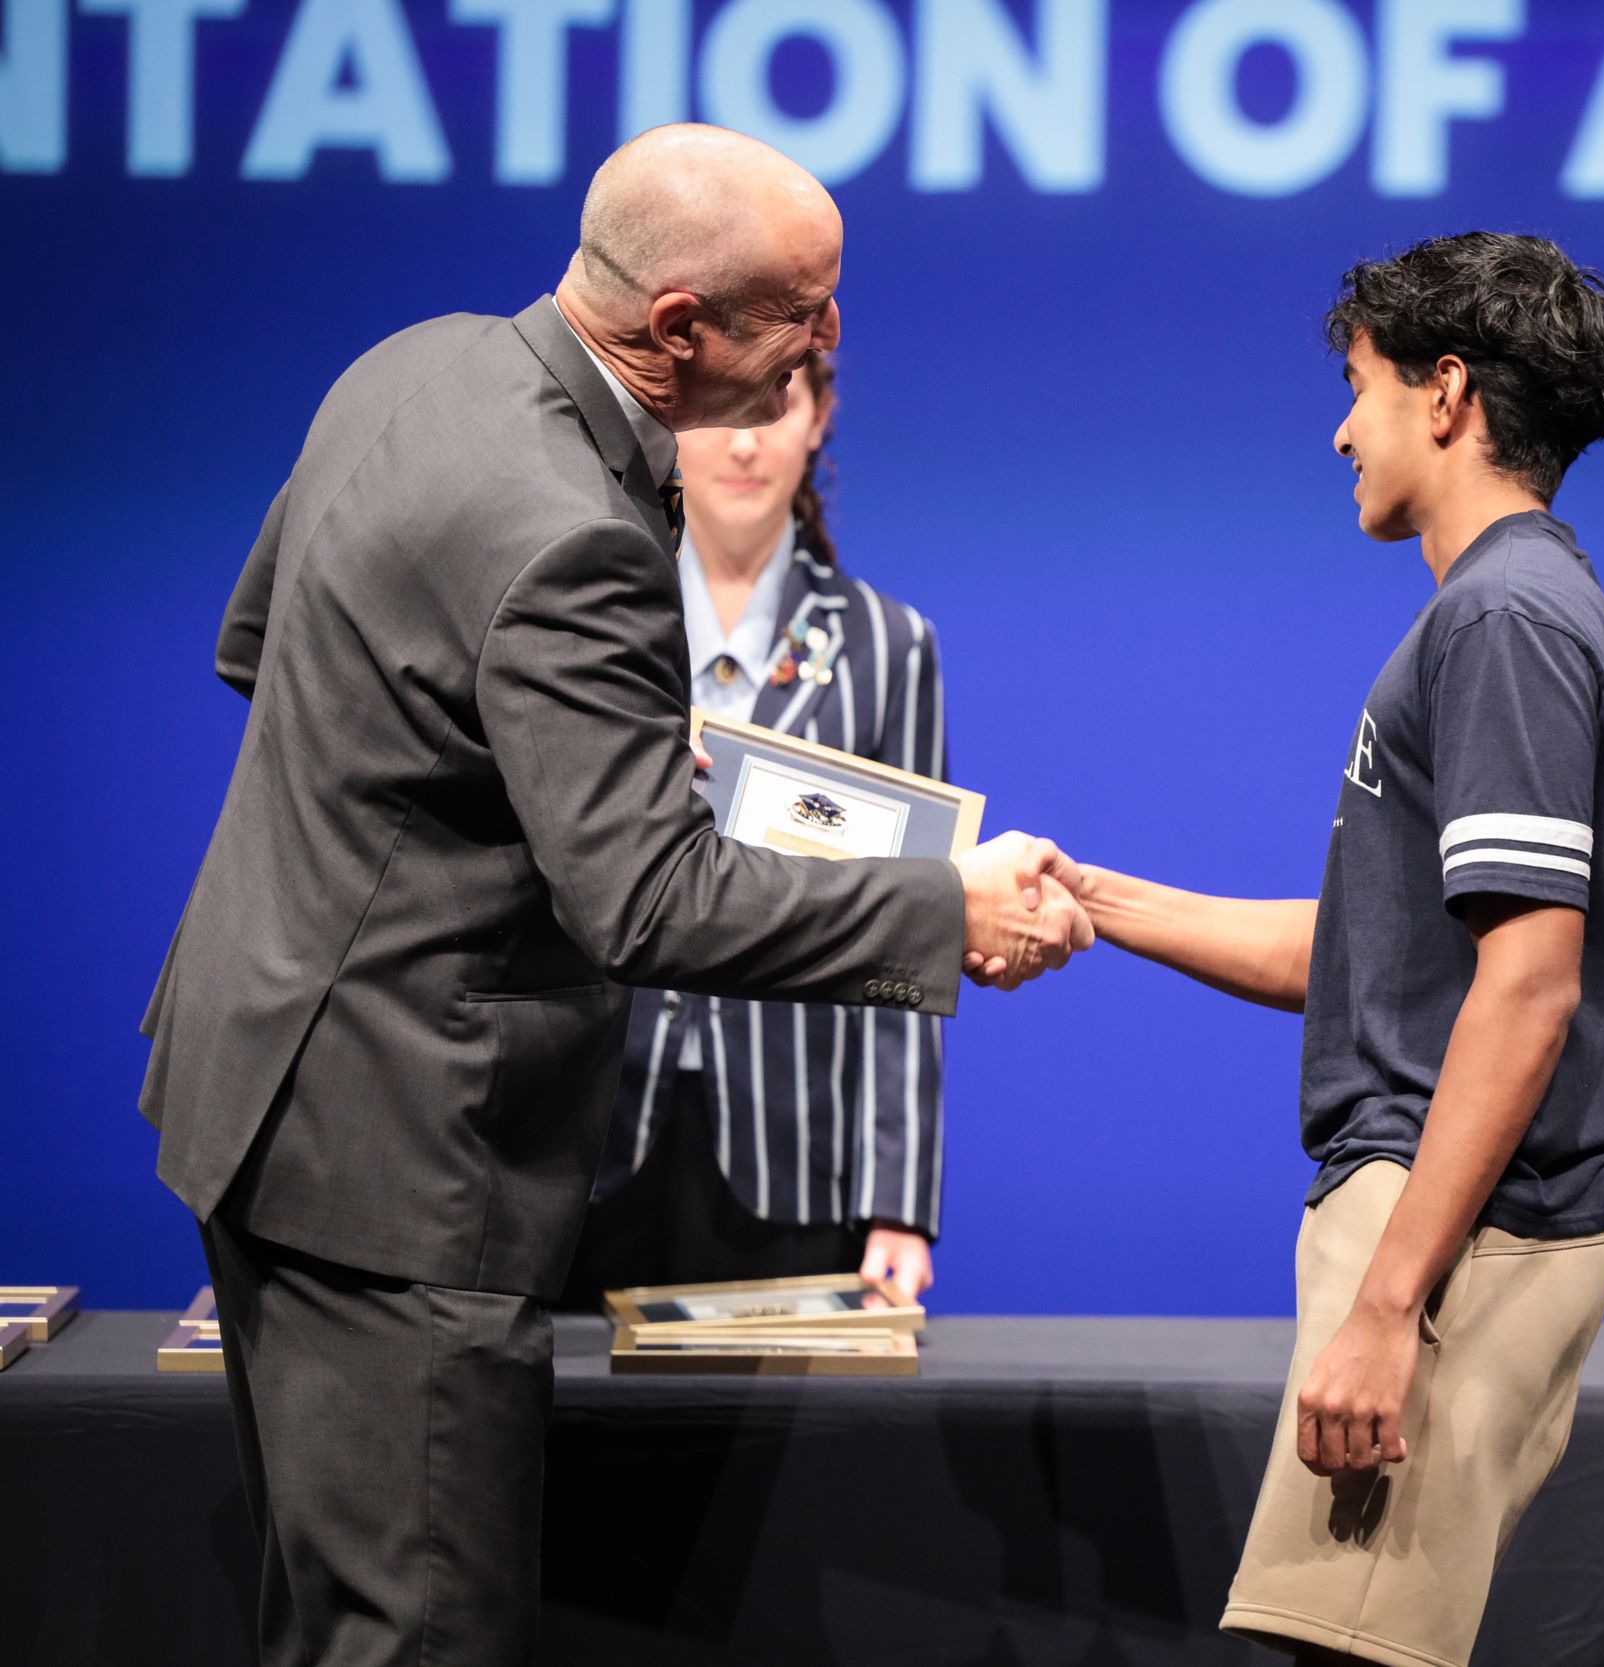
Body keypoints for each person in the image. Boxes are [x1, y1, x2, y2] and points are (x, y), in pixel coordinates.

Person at [139, 123, 1090, 1667]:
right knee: (417, 1634)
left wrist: (548, 756)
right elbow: (648, 901)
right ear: (679, 326)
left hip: (264, 1085)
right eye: (802, 311)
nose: (827, 342)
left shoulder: (411, 366)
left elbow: (265, 651)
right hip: (398, 1145)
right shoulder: (574, 528)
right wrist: (942, 907)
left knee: (336, 1620)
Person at [1072, 232, 1604, 1667]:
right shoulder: (1510, 606)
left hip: (1454, 1241)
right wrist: (1092, 898)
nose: (1341, 431)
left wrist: (1390, 1303)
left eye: (1358, 386)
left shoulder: (1504, 617)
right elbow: (1370, 957)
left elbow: (1529, 984)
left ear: (1444, 392)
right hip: (1451, 1230)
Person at [562, 351, 949, 1309]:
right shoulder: (593, 620)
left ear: (818, 420)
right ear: (672, 420)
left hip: (793, 1146)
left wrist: (898, 1201)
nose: (744, 443)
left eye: (774, 405)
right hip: (583, 1128)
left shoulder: (887, 648)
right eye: (721, 411)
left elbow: (911, 931)